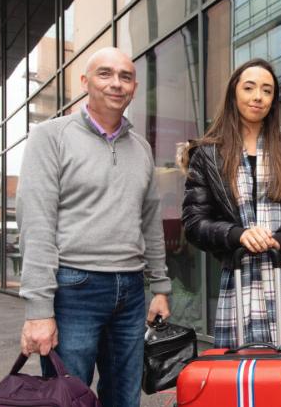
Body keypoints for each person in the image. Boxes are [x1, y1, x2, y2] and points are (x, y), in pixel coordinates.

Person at [17, 47, 171, 407]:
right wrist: (38, 310)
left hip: (131, 290)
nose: (116, 83)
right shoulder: (50, 137)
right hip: (74, 288)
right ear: (85, 82)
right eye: (105, 74)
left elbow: (150, 222)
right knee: (68, 398)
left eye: (125, 76)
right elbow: (36, 225)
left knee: (124, 398)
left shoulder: (142, 148)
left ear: (134, 88)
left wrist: (160, 286)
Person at [179, 58, 281, 348]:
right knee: (245, 377)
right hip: (239, 275)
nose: (258, 96)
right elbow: (194, 222)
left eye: (267, 90)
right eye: (249, 87)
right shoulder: (208, 154)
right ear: (234, 93)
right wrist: (238, 234)